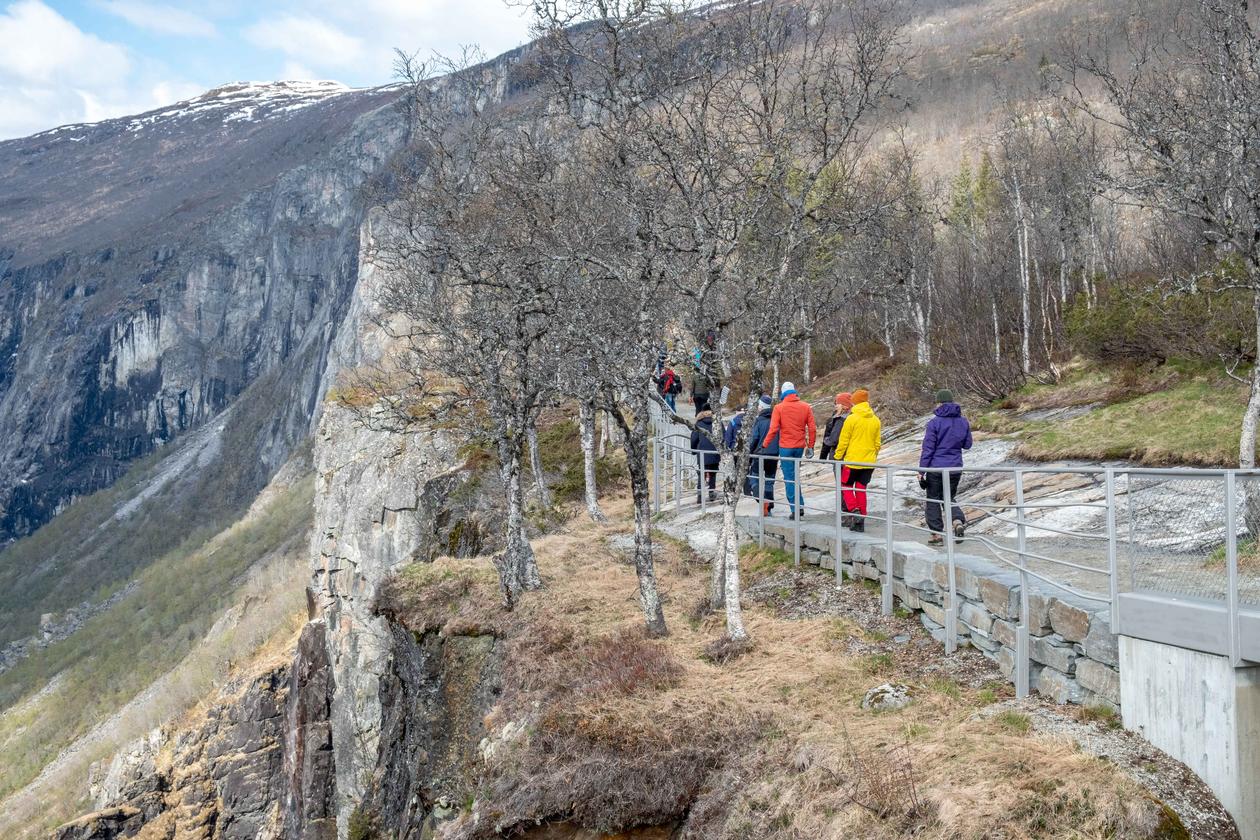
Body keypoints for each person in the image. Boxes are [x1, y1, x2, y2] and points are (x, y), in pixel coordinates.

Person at [919, 389, 973, 545]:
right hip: (955, 468)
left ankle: (936, 536)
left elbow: (928, 449)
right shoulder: (963, 421)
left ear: (939, 402)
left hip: (936, 468)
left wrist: (922, 471)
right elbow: (967, 444)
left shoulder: (934, 423)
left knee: (933, 499)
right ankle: (957, 521)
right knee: (948, 497)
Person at [762, 381, 816, 520]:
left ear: (783, 393)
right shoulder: (805, 407)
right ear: (794, 391)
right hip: (799, 447)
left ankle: (796, 509)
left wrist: (765, 444)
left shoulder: (779, 408)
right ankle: (800, 505)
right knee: (795, 476)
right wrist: (810, 446)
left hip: (786, 447)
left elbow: (773, 429)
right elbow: (812, 428)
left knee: (789, 479)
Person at [834, 388, 881, 532]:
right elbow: (877, 443)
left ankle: (854, 510)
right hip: (868, 462)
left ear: (855, 402)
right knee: (861, 489)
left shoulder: (851, 419)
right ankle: (861, 520)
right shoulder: (875, 419)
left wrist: (837, 457)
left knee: (845, 485)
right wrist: (872, 456)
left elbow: (843, 441)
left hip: (852, 461)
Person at [748, 394, 778, 515]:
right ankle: (769, 507)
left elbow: (754, 438)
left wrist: (749, 452)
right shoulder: (776, 419)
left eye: (759, 406)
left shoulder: (759, 421)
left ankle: (761, 500)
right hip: (774, 454)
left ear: (761, 407)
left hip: (760, 454)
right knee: (769, 481)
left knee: (754, 478)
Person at [690, 408, 721, 502]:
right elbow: (723, 436)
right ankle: (711, 493)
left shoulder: (698, 424)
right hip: (714, 452)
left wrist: (693, 450)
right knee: (713, 472)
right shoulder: (717, 423)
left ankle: (700, 495)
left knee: (701, 473)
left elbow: (694, 439)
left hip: (702, 452)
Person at [821, 393, 852, 460]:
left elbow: (833, 440)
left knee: (840, 470)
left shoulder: (841, 419)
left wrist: (826, 439)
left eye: (837, 404)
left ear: (844, 405)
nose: (836, 406)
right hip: (851, 455)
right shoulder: (853, 416)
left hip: (840, 455)